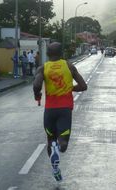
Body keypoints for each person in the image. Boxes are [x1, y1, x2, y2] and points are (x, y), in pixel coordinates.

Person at [33, 42, 87, 181]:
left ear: (48, 54)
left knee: (50, 139)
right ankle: (60, 146)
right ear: (62, 53)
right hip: (65, 109)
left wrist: (37, 94)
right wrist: (71, 88)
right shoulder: (69, 66)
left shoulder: (43, 68)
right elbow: (83, 86)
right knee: (63, 142)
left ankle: (55, 168)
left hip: (50, 110)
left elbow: (37, 84)